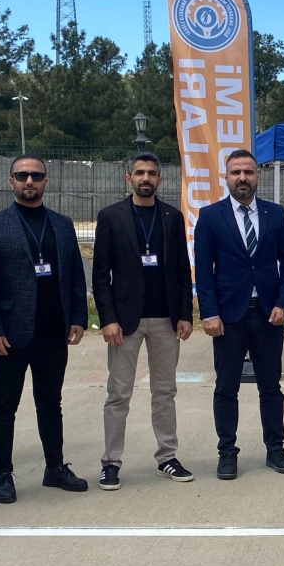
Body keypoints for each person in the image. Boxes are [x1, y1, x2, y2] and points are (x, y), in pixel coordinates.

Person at [0, 155, 90, 502]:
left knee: (50, 403)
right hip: (10, 333)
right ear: (11, 181)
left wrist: (79, 318)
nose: (29, 181)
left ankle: (54, 467)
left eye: (36, 176)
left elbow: (74, 276)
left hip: (53, 330)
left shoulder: (62, 224)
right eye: (22, 175)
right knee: (4, 405)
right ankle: (3, 474)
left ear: (46, 181)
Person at [193, 149, 284, 480]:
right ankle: (227, 452)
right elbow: (204, 271)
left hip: (268, 314)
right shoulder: (210, 216)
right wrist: (209, 313)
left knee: (271, 386)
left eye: (248, 172)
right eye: (236, 172)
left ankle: (276, 448)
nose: (242, 177)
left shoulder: (275, 214)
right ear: (226, 177)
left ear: (257, 176)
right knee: (226, 387)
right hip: (228, 316)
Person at [93, 153, 194, 490]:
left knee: (165, 391)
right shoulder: (110, 217)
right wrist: (107, 319)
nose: (145, 178)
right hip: (125, 322)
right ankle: (111, 463)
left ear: (159, 180)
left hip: (166, 319)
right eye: (139, 173)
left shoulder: (172, 216)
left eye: (151, 173)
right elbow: (100, 274)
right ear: (128, 178)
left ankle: (167, 456)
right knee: (118, 394)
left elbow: (182, 270)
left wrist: (184, 314)